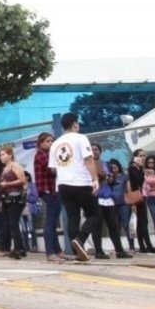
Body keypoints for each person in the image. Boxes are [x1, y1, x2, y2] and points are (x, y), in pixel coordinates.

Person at [48, 112, 99, 262]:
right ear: (75, 124)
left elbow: (53, 169)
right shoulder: (81, 138)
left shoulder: (55, 144)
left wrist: (66, 170)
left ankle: (78, 252)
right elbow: (88, 159)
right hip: (81, 182)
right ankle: (81, 240)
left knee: (72, 216)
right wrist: (95, 178)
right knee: (94, 214)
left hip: (63, 184)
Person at [34, 132, 65, 262]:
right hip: (48, 191)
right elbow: (53, 169)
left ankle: (57, 250)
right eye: (47, 141)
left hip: (54, 190)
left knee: (53, 222)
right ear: (41, 143)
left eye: (52, 141)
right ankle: (50, 252)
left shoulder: (48, 154)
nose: (51, 143)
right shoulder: (41, 154)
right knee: (50, 222)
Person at [127, 149, 155, 254]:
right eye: (140, 156)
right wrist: (140, 168)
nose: (143, 158)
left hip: (142, 196)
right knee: (142, 222)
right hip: (136, 197)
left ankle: (143, 246)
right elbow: (139, 180)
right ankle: (147, 245)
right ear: (135, 157)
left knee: (142, 222)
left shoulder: (140, 168)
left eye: (144, 156)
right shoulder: (132, 168)